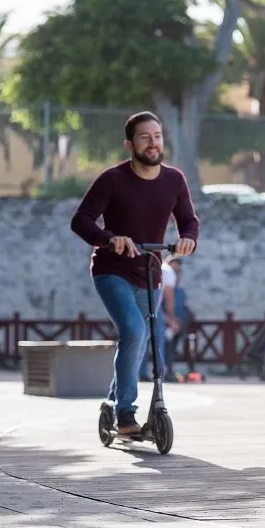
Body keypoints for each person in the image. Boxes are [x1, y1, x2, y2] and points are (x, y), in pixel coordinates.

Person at [70, 111, 199, 436]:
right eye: (145, 136)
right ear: (130, 143)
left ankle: (112, 402)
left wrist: (188, 239)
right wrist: (109, 239)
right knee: (134, 331)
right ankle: (126, 415)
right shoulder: (112, 179)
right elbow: (81, 220)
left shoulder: (174, 179)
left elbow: (188, 220)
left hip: (150, 270)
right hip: (111, 270)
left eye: (157, 135)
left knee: (143, 342)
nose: (153, 142)